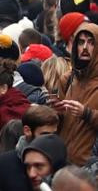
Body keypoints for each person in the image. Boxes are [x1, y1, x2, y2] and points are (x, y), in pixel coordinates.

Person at [57, 21, 98, 166]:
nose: (85, 48)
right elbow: (58, 122)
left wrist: (86, 113)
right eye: (81, 42)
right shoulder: (67, 79)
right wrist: (54, 112)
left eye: (91, 43)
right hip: (63, 163)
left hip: (90, 168)